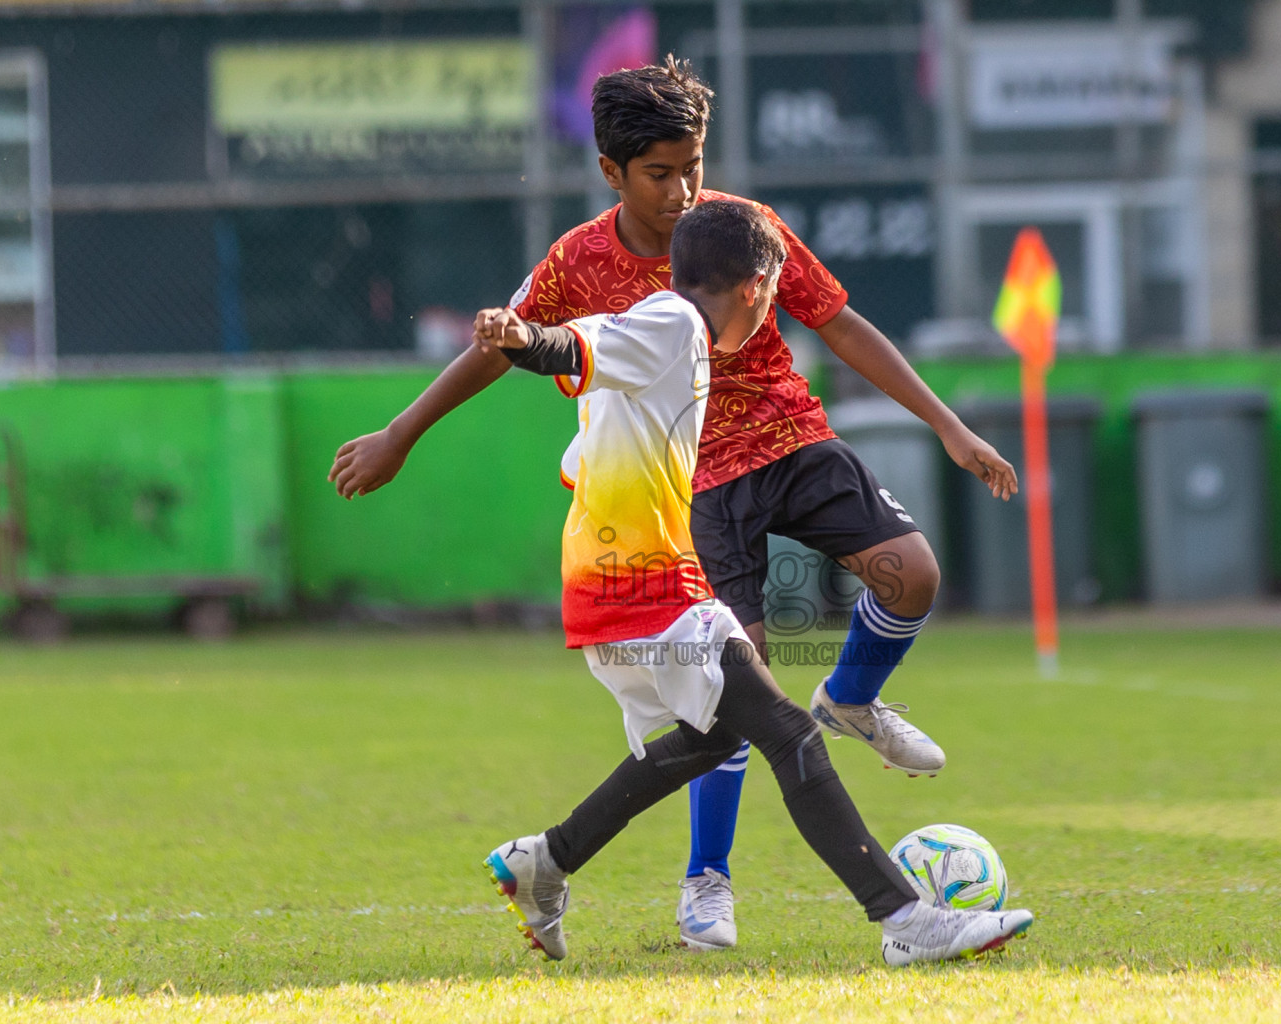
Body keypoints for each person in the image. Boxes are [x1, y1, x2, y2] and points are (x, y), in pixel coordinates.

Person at [327, 57, 1018, 953]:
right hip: (661, 535)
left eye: (694, 164)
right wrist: (416, 420)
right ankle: (840, 906)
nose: (685, 189)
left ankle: (554, 856)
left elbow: (832, 317)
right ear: (612, 173)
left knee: (758, 698)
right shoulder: (639, 297)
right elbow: (558, 344)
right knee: (767, 722)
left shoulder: (734, 237)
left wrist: (946, 426)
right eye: (661, 172)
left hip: (720, 492)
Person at [469, 199, 1032, 966]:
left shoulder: (679, 330)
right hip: (639, 586)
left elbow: (591, 361)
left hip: (643, 579)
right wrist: (524, 337)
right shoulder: (671, 325)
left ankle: (548, 859)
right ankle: (906, 919)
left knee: (720, 734)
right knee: (790, 732)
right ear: (757, 286)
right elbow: (573, 345)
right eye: (772, 297)